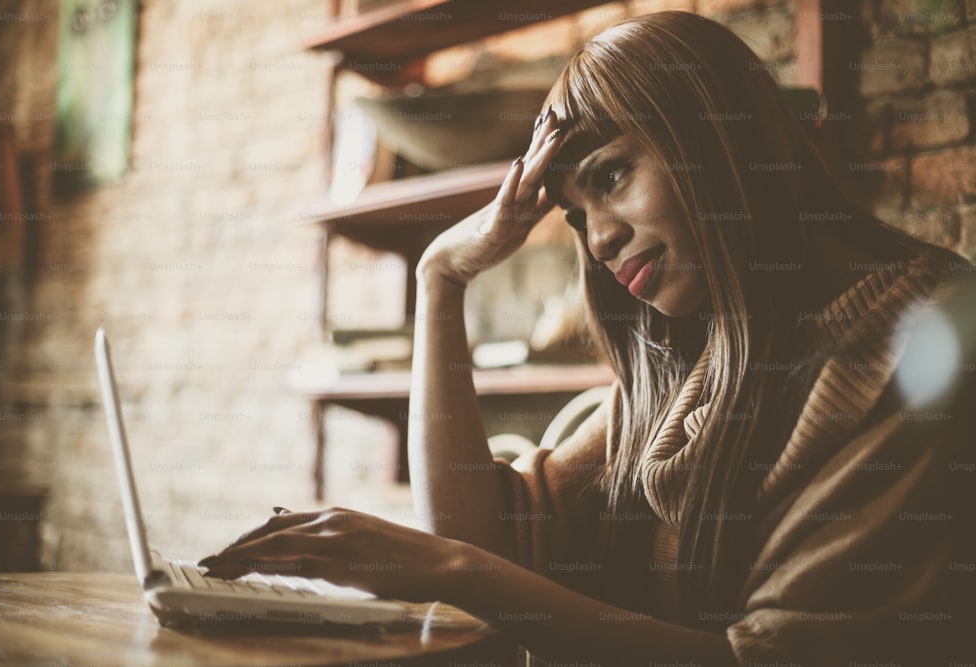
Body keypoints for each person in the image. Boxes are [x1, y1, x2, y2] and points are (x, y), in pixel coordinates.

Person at [200, 11, 975, 665]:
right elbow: (478, 533)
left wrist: (455, 570)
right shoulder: (697, 368)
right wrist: (439, 279)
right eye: (574, 214)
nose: (598, 240)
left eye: (610, 176)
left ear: (718, 137)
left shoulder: (929, 339)